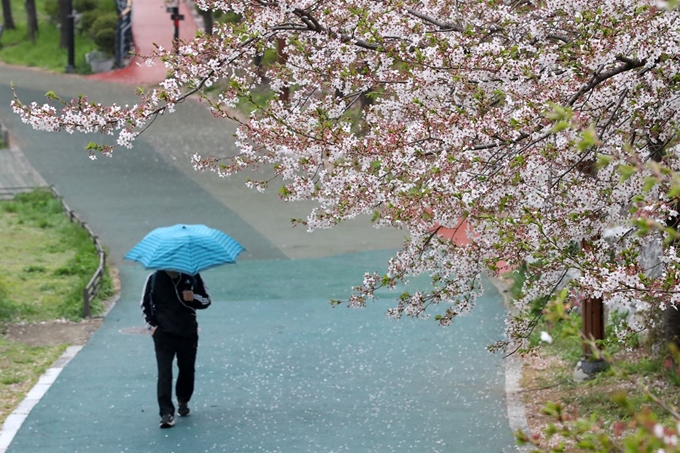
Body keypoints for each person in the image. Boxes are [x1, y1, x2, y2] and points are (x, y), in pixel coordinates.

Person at [140, 269, 211, 428]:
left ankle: (183, 400)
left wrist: (194, 298)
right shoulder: (153, 278)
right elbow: (145, 305)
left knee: (187, 370)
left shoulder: (193, 276)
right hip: (163, 334)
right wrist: (152, 327)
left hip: (188, 332)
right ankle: (166, 413)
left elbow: (206, 300)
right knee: (164, 372)